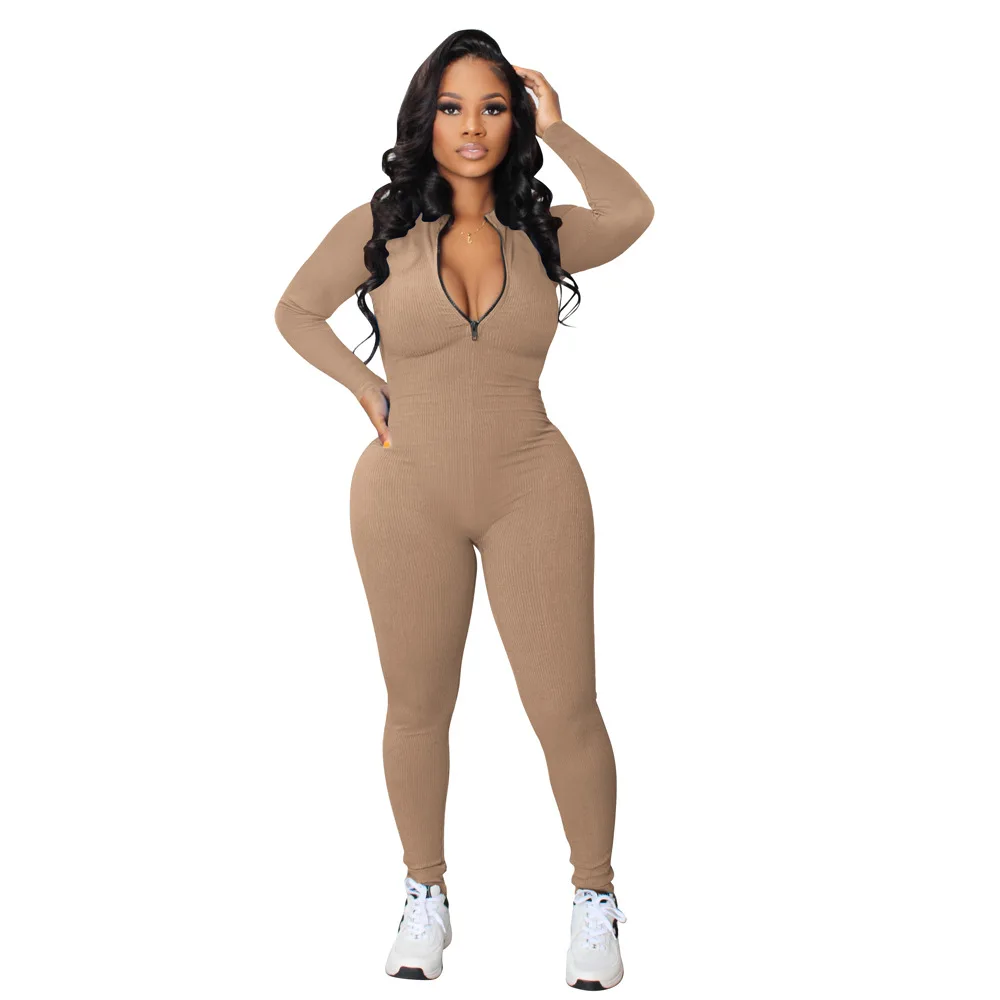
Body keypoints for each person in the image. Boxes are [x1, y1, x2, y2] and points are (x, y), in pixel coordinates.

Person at [273, 30, 652, 990]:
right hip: (404, 492)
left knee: (566, 707)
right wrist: (364, 385)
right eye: (452, 107)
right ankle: (424, 895)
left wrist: (561, 128)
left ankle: (595, 898)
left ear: (514, 120)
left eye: (493, 107)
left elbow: (634, 211)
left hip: (534, 484)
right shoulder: (380, 225)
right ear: (425, 117)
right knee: (416, 708)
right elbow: (295, 311)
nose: (472, 127)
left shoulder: (545, 230)